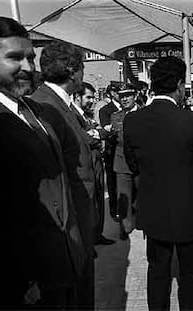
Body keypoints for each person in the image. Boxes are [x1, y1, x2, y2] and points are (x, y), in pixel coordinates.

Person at [0, 15, 86, 309]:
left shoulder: (33, 110)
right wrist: (17, 278)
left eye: (31, 57)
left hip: (60, 265)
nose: (29, 68)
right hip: (20, 283)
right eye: (15, 58)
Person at [123, 56, 193, 311]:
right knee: (192, 274)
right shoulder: (191, 120)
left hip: (153, 210)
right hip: (189, 212)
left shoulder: (132, 120)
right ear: (179, 84)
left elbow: (133, 165)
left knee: (157, 271)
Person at [30, 41, 96, 309]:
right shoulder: (47, 106)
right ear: (72, 70)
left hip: (80, 217)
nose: (83, 75)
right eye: (82, 68)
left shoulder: (59, 103)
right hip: (71, 222)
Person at [73, 82, 115, 245]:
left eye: (93, 97)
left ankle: (97, 235)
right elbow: (88, 138)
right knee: (90, 204)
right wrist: (99, 134)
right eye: (88, 97)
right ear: (77, 97)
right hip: (87, 163)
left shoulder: (86, 115)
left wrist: (97, 133)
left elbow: (96, 133)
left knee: (98, 200)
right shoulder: (73, 115)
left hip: (96, 162)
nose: (92, 101)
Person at [111, 83, 139, 239]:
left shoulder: (144, 114)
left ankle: (146, 223)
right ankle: (125, 227)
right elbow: (118, 138)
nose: (125, 99)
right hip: (122, 162)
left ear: (135, 96)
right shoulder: (116, 116)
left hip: (141, 162)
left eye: (128, 95)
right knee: (123, 198)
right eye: (122, 96)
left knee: (145, 195)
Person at [99, 83, 123, 221]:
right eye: (120, 93)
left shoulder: (132, 107)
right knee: (113, 183)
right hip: (112, 151)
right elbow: (107, 130)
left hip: (127, 152)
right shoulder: (105, 110)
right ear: (113, 94)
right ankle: (115, 211)